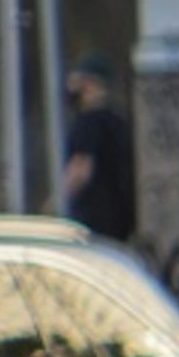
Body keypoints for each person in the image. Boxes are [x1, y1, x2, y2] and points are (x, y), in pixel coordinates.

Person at [56, 63, 135, 243]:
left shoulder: (88, 122)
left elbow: (81, 169)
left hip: (92, 219)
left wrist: (55, 204)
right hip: (119, 218)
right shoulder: (117, 121)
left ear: (91, 84)